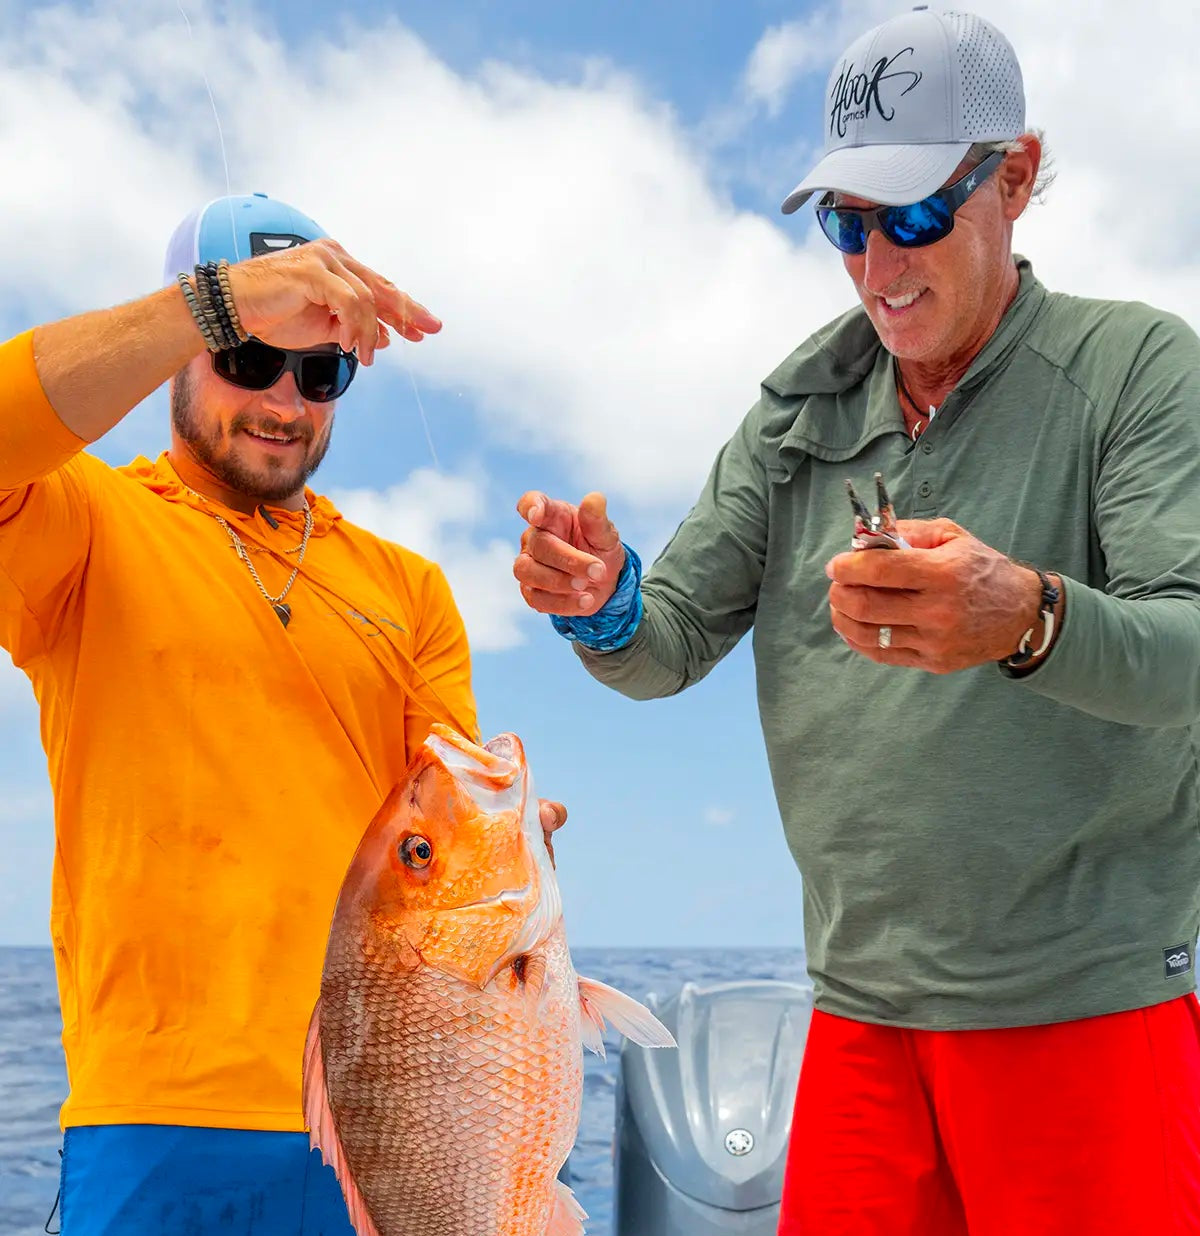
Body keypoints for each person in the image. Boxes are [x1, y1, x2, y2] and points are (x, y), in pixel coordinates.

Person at [513, 7, 1200, 1234]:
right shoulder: (797, 411)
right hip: (862, 1015)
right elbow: (664, 642)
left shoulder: (1133, 371)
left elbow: (1186, 649)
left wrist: (1026, 618)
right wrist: (600, 600)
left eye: (918, 215)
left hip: (1083, 1009)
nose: (881, 266)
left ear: (1019, 177)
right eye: (848, 222)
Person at [0, 191, 567, 1234]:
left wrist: (512, 841)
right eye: (247, 356)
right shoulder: (84, 524)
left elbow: (437, 830)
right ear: (181, 341)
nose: (284, 400)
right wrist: (219, 300)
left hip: (390, 1105)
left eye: (318, 371)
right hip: (154, 1117)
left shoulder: (411, 589)